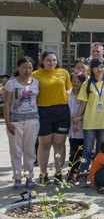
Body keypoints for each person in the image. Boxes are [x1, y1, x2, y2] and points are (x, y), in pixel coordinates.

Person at [32, 49, 72, 185]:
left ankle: (59, 173)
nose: (51, 63)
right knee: (44, 144)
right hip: (43, 112)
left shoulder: (63, 73)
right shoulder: (35, 75)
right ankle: (43, 174)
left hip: (61, 111)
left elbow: (70, 91)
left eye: (54, 60)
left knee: (59, 144)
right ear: (42, 61)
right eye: (48, 60)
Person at [76, 58, 104, 188]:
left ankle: (98, 176)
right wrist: (77, 117)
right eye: (97, 67)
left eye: (102, 66)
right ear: (92, 69)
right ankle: (82, 176)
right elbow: (83, 103)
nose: (100, 69)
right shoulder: (87, 84)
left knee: (100, 150)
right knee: (87, 149)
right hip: (90, 122)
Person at [4, 56, 40, 190]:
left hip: (32, 121)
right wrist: (7, 122)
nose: (27, 70)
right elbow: (7, 103)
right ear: (18, 68)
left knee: (30, 151)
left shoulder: (36, 82)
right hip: (15, 122)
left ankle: (29, 178)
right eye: (24, 67)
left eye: (30, 67)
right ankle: (17, 178)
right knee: (16, 151)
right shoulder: (11, 83)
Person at [67, 71, 87, 181]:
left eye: (78, 82)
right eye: (73, 81)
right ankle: (71, 171)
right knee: (73, 151)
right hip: (72, 129)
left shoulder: (86, 95)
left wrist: (79, 118)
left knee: (83, 152)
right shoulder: (67, 94)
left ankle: (81, 171)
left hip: (84, 127)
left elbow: (90, 112)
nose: (75, 84)